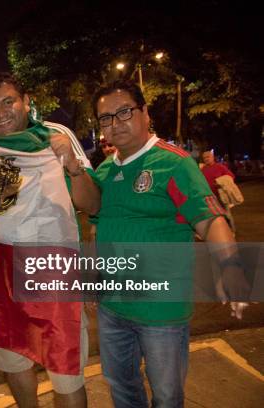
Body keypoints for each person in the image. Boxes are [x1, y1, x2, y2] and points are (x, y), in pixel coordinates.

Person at [91, 80, 248, 408]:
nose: (115, 123)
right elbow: (100, 229)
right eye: (105, 118)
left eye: (124, 112)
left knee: (166, 395)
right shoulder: (105, 170)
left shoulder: (173, 163)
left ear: (145, 112)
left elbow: (210, 219)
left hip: (160, 310)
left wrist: (231, 267)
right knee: (121, 387)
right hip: (113, 308)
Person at [0, 72, 100, 408]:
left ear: (26, 102)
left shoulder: (55, 136)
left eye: (8, 101)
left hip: (51, 268)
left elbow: (92, 204)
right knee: (12, 360)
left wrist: (72, 165)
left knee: (65, 365)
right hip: (0, 274)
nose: (0, 112)